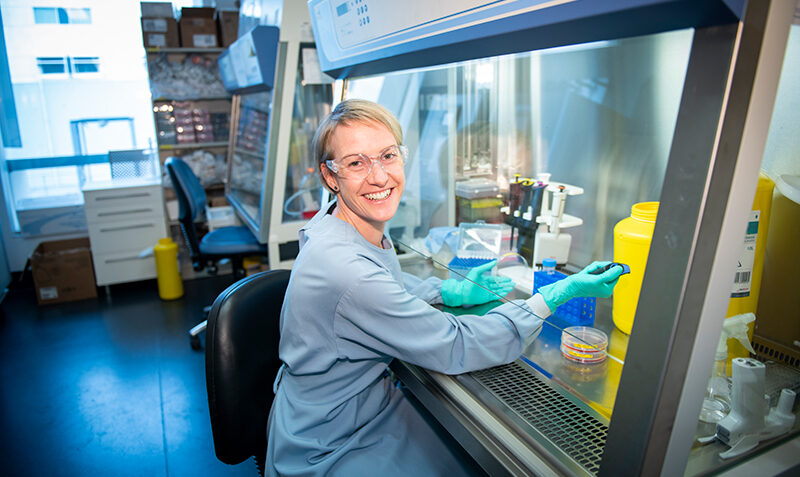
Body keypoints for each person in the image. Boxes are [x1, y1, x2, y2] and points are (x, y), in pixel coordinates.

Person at [265, 99, 623, 476]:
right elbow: (457, 344)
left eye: (388, 156)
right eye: (357, 163)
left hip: (348, 407)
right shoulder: (346, 270)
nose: (380, 177)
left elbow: (381, 285)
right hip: (332, 441)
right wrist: (550, 297)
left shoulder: (336, 222)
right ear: (330, 176)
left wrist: (447, 292)